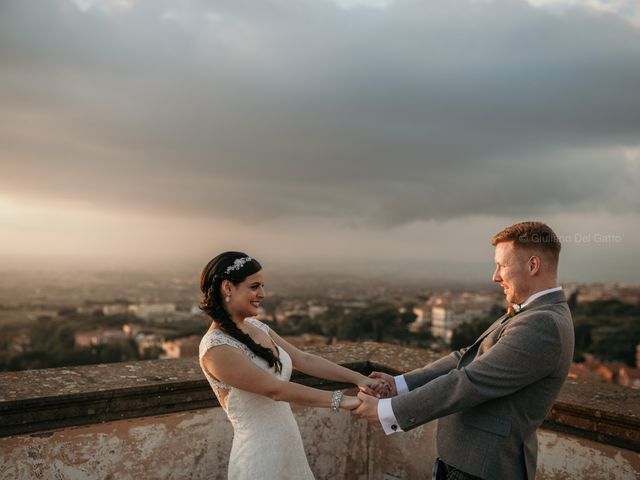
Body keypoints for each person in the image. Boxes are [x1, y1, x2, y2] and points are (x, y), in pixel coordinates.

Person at [353, 221, 575, 480]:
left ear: (533, 265)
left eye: (503, 265)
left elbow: (471, 380)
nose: (495, 276)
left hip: (483, 469)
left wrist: (389, 411)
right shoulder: (532, 313)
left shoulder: (543, 323)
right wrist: (399, 384)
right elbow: (465, 357)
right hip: (468, 464)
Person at [198, 251, 385, 480]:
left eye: (263, 286)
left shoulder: (258, 327)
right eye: (255, 286)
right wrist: (349, 401)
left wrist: (360, 379)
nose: (263, 294)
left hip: (288, 447)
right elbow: (276, 390)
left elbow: (303, 359)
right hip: (258, 457)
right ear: (228, 288)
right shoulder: (216, 348)